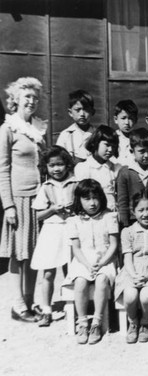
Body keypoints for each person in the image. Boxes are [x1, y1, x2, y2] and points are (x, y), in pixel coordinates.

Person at [0, 77, 47, 322]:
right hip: (18, 199)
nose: (31, 101)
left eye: (35, 97)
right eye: (26, 96)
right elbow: (2, 169)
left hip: (38, 199)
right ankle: (18, 305)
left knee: (33, 252)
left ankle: (30, 302)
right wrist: (8, 205)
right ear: (15, 99)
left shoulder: (38, 128)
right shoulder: (8, 129)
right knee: (19, 254)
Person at [64, 179, 118, 345]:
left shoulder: (109, 216)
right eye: (87, 199)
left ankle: (97, 321)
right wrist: (87, 265)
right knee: (80, 281)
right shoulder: (74, 220)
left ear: (101, 198)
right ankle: (82, 322)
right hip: (83, 261)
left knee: (102, 279)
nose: (92, 203)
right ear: (79, 200)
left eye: (95, 198)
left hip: (105, 259)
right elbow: (76, 249)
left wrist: (101, 263)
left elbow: (114, 245)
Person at [31, 146, 78, 327]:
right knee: (49, 272)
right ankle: (46, 310)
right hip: (52, 230)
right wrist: (52, 209)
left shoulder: (75, 183)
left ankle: (72, 306)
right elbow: (38, 215)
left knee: (71, 270)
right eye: (52, 166)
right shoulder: (46, 187)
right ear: (46, 167)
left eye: (60, 164)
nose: (56, 169)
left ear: (67, 165)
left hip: (71, 229)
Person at [114, 190, 148, 344]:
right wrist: (134, 275)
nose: (146, 214)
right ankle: (133, 322)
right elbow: (127, 258)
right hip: (132, 271)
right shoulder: (127, 232)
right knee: (130, 295)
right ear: (133, 212)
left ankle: (145, 322)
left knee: (146, 295)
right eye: (141, 210)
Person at [74, 125, 121, 211]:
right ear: (95, 143)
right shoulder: (83, 168)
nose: (110, 150)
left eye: (113, 146)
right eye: (107, 145)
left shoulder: (116, 168)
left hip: (112, 215)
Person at [56, 89, 96, 163]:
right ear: (70, 112)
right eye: (78, 110)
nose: (82, 114)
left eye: (86, 110)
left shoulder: (97, 134)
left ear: (92, 112)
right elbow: (59, 159)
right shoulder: (65, 135)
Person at [113, 99, 138, 166]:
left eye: (131, 118)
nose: (127, 122)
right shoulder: (112, 138)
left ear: (135, 120)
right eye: (123, 118)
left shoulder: (138, 138)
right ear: (116, 119)